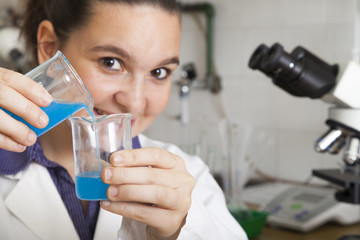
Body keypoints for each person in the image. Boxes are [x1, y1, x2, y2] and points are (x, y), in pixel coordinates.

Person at [0, 0, 248, 239]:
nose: (135, 102)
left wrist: (179, 232)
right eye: (111, 62)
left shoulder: (190, 180)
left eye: (159, 72)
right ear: (50, 47)